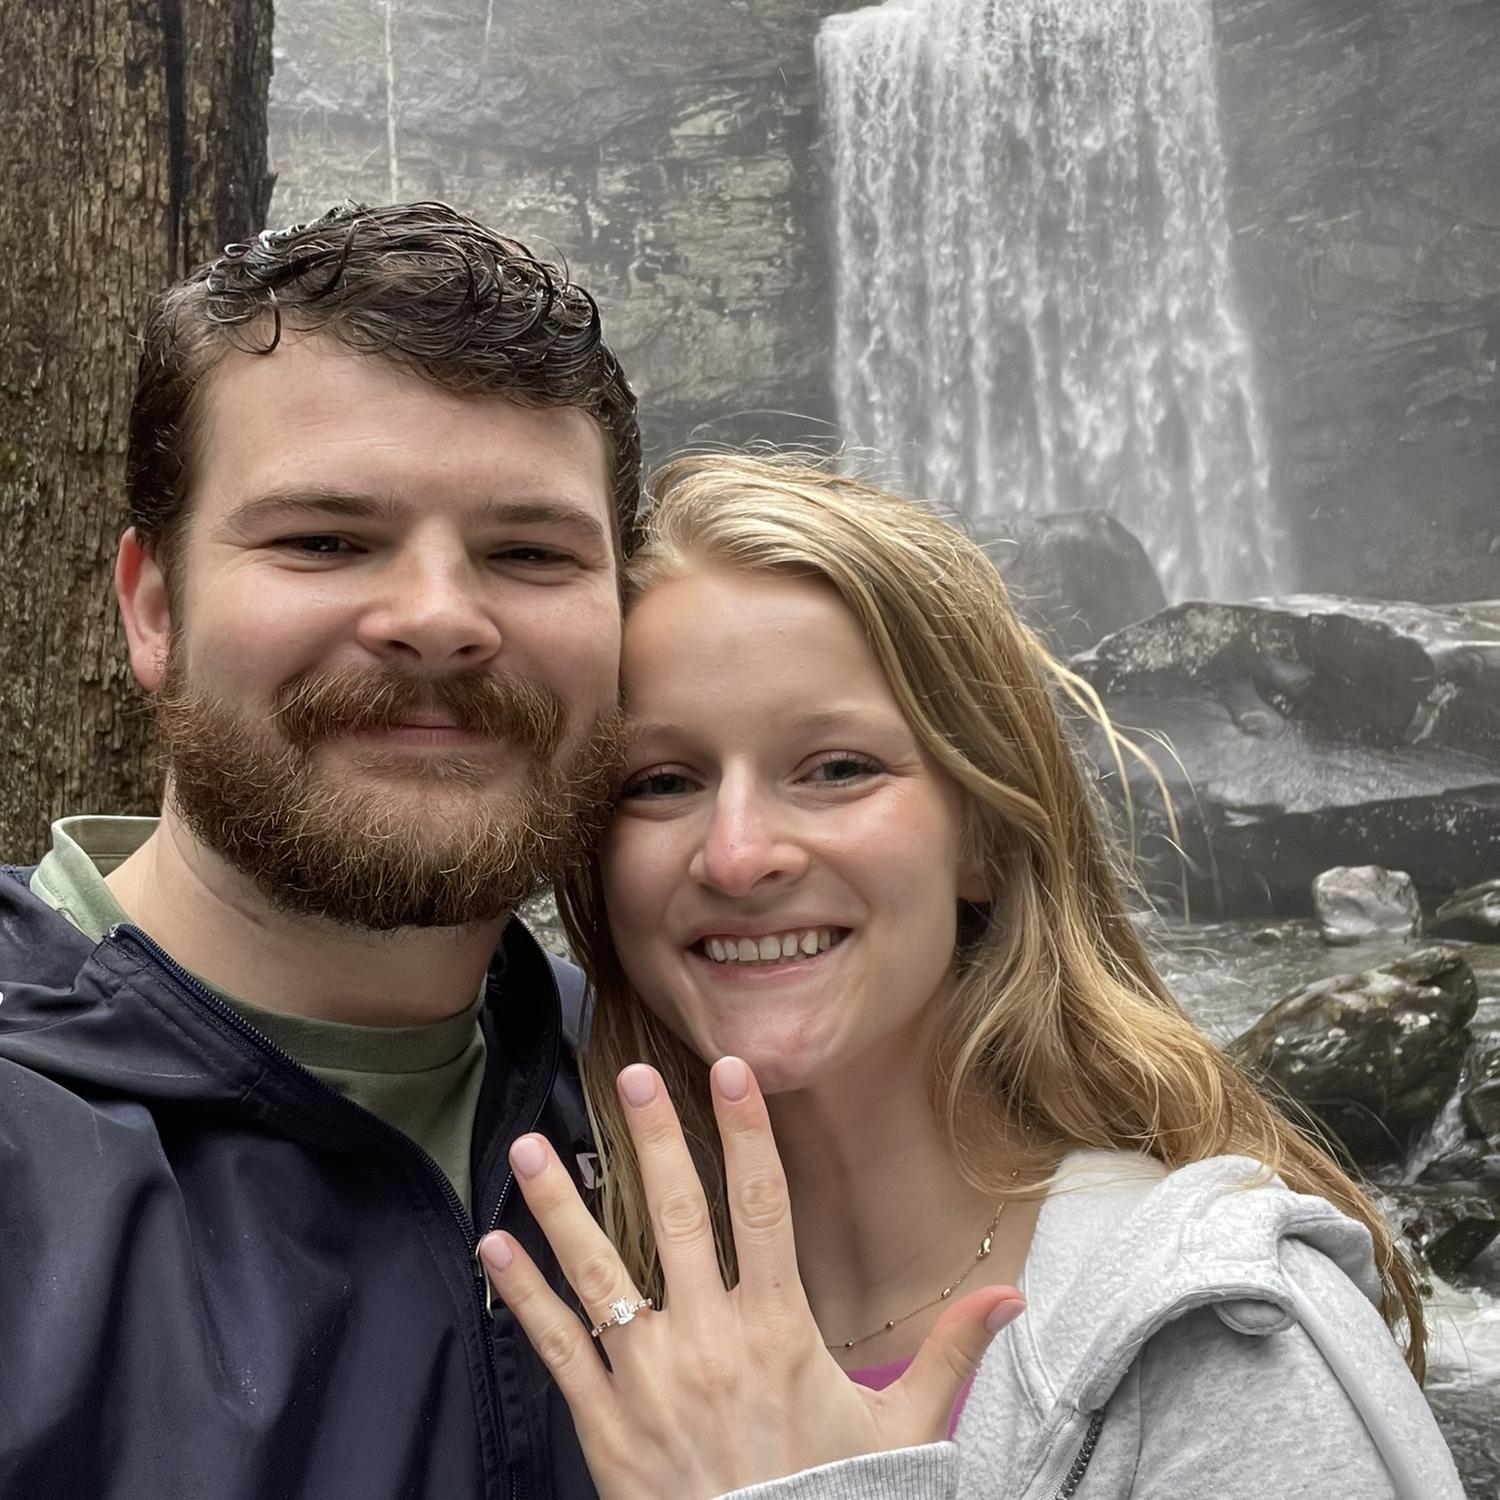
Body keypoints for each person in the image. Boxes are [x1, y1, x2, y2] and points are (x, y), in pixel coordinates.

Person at [478, 452, 1465, 1499]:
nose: (737, 855)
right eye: (663, 781)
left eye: (838, 768)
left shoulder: (1222, 1340)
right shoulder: (587, 1303)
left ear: (983, 838)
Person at [0, 201, 638, 1499]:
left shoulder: (672, 1084)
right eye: (324, 541)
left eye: (528, 552)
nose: (440, 620)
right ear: (154, 609)